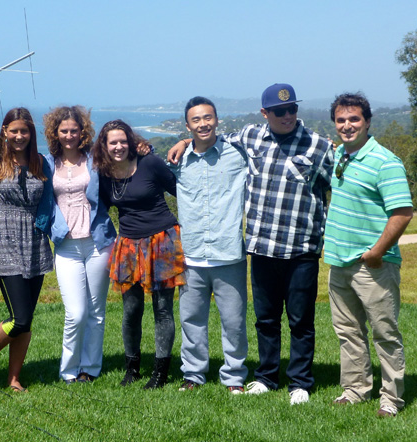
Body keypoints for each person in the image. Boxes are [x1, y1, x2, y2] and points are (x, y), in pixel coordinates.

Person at [169, 84, 333, 404]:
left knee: (299, 320)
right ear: (265, 114)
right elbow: (207, 140)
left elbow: (337, 188)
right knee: (266, 319)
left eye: (291, 109)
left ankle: (299, 382)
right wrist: (186, 140)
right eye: (279, 111)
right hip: (260, 248)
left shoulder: (317, 146)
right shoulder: (249, 138)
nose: (287, 115)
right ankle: (267, 377)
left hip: (300, 249)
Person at [325, 93, 413, 417]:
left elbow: (403, 212)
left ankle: (391, 399)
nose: (347, 126)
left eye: (354, 119)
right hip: (339, 261)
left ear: (367, 122)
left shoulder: (385, 161)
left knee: (384, 333)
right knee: (348, 332)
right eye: (341, 120)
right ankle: (355, 390)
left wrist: (377, 252)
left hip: (372, 264)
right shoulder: (339, 154)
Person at [94, 120, 185, 389]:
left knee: (162, 309)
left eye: (123, 141)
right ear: (105, 146)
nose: (119, 146)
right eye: (113, 142)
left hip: (162, 240)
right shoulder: (103, 173)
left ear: (132, 142)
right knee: (131, 310)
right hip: (128, 244)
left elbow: (180, 191)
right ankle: (132, 368)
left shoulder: (150, 163)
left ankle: (160, 372)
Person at [169, 97, 248, 394]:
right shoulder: (178, 161)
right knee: (191, 321)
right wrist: (179, 143)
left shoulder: (238, 155)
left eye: (208, 118)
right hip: (191, 255)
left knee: (234, 322)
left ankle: (234, 377)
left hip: (229, 254)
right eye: (196, 120)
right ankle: (193, 374)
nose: (203, 124)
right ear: (187, 125)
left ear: (217, 119)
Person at [0, 107, 53, 392]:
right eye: (14, 130)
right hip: (4, 240)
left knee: (27, 319)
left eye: (25, 131)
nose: (19, 136)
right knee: (19, 318)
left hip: (35, 242)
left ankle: (14, 376)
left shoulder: (40, 163)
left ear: (31, 133)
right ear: (4, 132)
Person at [43, 106, 117, 384]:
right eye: (64, 130)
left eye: (74, 130)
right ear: (55, 133)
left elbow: (126, 156)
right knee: (76, 313)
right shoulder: (48, 164)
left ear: (82, 132)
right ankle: (68, 370)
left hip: (98, 241)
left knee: (96, 311)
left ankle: (90, 368)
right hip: (67, 245)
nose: (69, 135)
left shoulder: (95, 160)